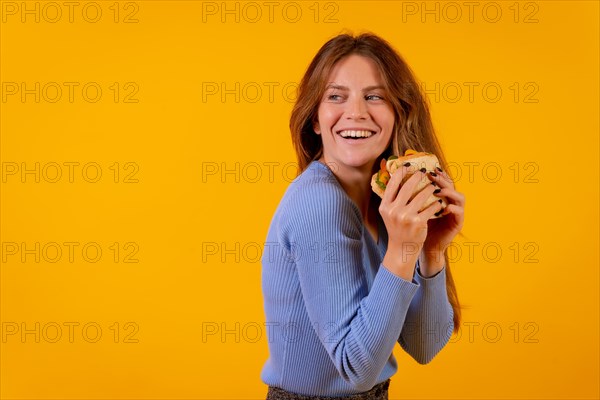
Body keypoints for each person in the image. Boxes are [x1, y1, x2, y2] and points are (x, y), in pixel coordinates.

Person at [260, 32, 464, 399]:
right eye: (336, 96)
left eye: (374, 96)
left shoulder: (387, 198)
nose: (356, 112)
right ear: (316, 120)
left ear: (399, 113)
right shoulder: (319, 203)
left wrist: (431, 252)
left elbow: (425, 346)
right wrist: (402, 247)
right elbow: (358, 367)